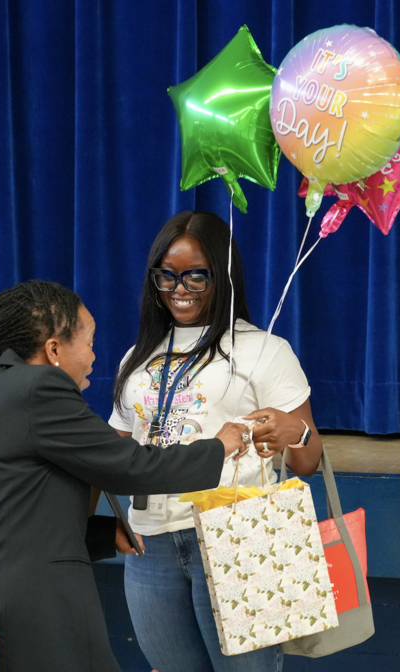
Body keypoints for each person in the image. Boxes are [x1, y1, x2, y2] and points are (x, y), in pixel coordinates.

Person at [0, 280, 249, 672]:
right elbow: (131, 466)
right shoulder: (38, 386)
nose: (94, 358)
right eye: (90, 342)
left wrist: (100, 534)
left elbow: (6, 509)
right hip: (32, 611)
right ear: (53, 350)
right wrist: (219, 446)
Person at [110, 211, 324, 672]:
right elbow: (115, 450)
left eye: (195, 276)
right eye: (165, 277)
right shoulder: (137, 356)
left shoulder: (266, 350)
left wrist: (297, 432)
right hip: (150, 544)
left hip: (237, 536)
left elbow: (308, 459)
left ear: (224, 276)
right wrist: (108, 518)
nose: (178, 289)